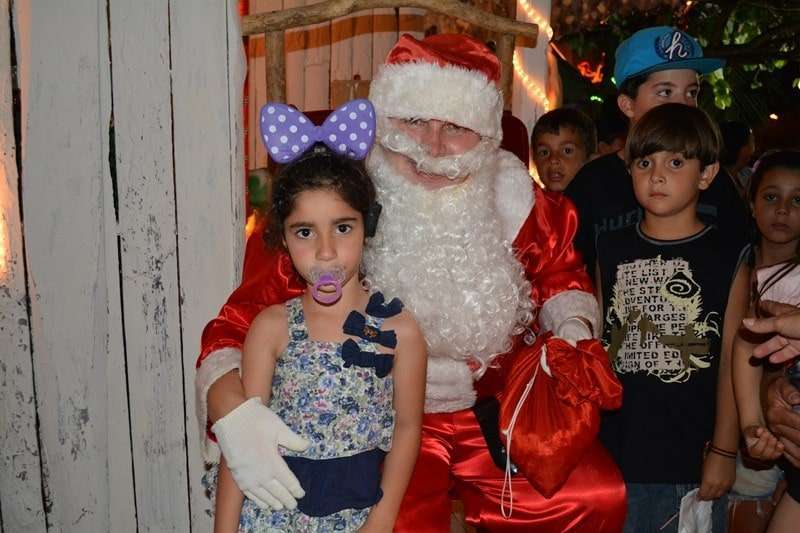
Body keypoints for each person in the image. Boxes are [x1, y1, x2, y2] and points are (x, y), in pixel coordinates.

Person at [196, 34, 626, 532]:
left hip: (496, 411)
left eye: (456, 128)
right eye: (415, 122)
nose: (434, 148)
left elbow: (560, 273)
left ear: (487, 138)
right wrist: (237, 416)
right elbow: (233, 328)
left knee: (596, 495)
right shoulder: (338, 209)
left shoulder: (516, 199)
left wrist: (571, 328)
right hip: (376, 424)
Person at [207, 101, 427, 532]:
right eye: (305, 232)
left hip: (356, 515)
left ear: (368, 227)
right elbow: (243, 444)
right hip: (274, 517)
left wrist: (381, 521)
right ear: (283, 239)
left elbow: (407, 428)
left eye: (343, 228)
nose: (325, 251)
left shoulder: (400, 331)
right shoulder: (271, 328)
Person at [595, 103, 746, 532]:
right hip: (618, 449)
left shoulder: (727, 255)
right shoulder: (610, 248)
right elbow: (601, 347)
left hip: (689, 455)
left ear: (706, 174)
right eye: (645, 162)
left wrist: (724, 450)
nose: (657, 174)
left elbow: (734, 363)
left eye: (675, 162)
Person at [565, 26, 749, 279]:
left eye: (691, 93)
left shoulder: (713, 182)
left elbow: (741, 268)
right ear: (627, 104)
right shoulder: (591, 185)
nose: (683, 105)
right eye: (665, 92)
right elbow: (568, 277)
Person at [732, 150, 800, 532]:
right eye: (772, 197)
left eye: (797, 200)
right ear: (752, 203)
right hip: (737, 425)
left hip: (782, 436)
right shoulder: (732, 264)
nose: (783, 210)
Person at [530, 107, 596, 191]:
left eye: (567, 151)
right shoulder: (528, 202)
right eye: (544, 152)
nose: (553, 160)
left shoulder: (598, 201)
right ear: (534, 158)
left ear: (589, 159)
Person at [719, 121, 756, 200]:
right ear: (742, 147)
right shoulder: (715, 180)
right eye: (752, 141)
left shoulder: (748, 176)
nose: (753, 149)